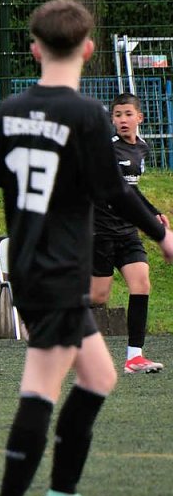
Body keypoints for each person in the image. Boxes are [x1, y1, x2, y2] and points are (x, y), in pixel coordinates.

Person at [0, 0, 173, 496]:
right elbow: (115, 190)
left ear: (34, 49)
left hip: (32, 264)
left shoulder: (8, 110)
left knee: (99, 377)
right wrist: (163, 233)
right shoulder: (86, 115)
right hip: (59, 269)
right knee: (41, 386)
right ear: (89, 50)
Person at [90, 92, 169, 374]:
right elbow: (118, 190)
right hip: (100, 231)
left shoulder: (142, 148)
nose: (123, 120)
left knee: (142, 283)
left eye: (128, 114)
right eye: (117, 115)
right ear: (112, 119)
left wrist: (152, 211)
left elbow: (131, 189)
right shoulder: (107, 149)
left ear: (139, 118)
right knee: (98, 297)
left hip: (127, 231)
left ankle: (134, 357)